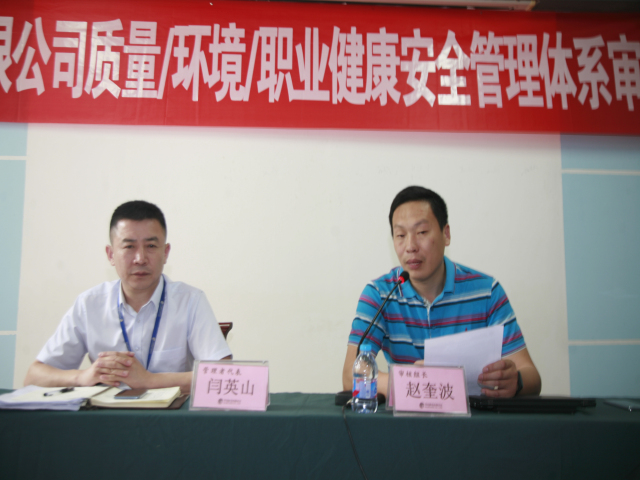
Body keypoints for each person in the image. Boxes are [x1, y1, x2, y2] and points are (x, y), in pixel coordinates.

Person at [342, 186, 541, 398]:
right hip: (407, 416)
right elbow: (350, 375)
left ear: (446, 234)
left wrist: (516, 381)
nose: (410, 246)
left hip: (474, 416)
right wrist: (412, 381)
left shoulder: (486, 292)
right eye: (400, 235)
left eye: (421, 232)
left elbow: (531, 376)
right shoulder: (380, 294)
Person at [24, 200, 231, 393]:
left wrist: (149, 381)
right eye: (129, 246)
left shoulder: (190, 301)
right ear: (111, 254)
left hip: (170, 417)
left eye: (151, 246)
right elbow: (33, 377)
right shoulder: (89, 304)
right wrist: (82, 377)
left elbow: (225, 377)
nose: (140, 258)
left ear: (166, 253)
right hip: (105, 417)